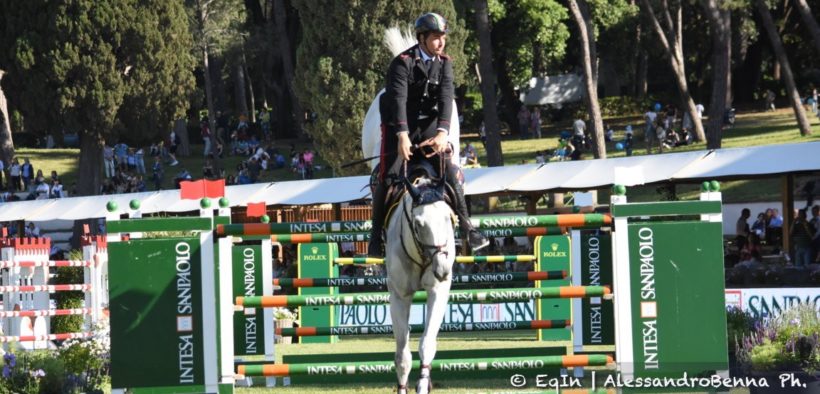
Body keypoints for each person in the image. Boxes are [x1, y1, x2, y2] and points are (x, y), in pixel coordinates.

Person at [367, 12, 489, 257]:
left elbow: (446, 98)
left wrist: (443, 132)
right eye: (435, 37)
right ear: (421, 38)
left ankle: (468, 228)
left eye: (443, 37)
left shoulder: (445, 63)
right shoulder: (402, 63)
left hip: (431, 129)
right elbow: (398, 101)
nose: (441, 42)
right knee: (386, 177)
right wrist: (402, 136)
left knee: (452, 171)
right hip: (399, 128)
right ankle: (375, 238)